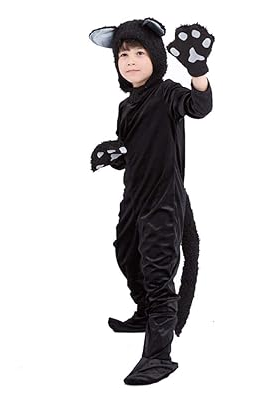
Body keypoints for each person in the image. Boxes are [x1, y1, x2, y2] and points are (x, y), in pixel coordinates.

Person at [89, 17, 214, 385]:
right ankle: (145, 314)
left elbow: (199, 105)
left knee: (159, 274)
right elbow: (134, 149)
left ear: (156, 58)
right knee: (127, 254)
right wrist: (116, 154)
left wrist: (197, 71)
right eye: (123, 55)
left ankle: (158, 357)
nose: (130, 61)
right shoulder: (126, 106)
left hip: (163, 200)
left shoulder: (168, 93)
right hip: (134, 198)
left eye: (139, 53)